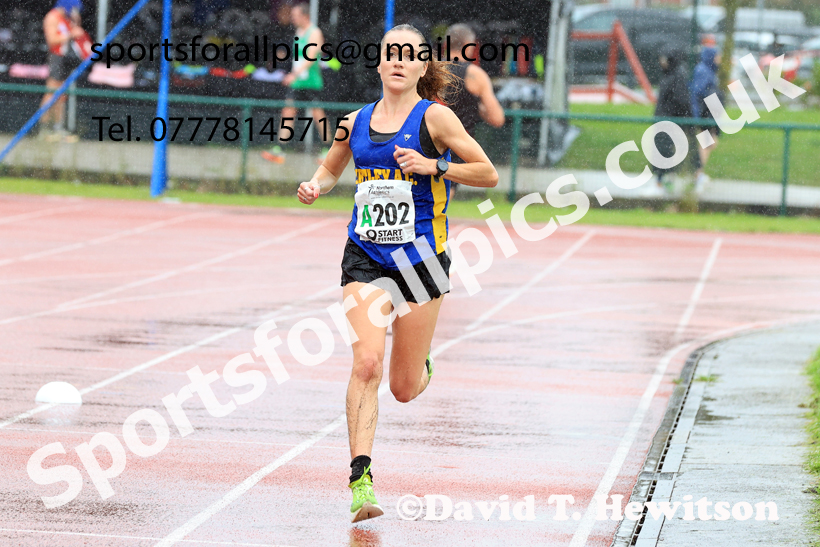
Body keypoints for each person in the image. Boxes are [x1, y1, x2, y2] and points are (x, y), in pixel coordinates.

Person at [296, 24, 498, 522]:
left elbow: (487, 173)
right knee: (366, 363)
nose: (399, 61)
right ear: (380, 62)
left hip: (421, 258)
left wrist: (435, 167)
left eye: (409, 54)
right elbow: (331, 167)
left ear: (422, 65)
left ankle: (420, 360)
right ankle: (361, 481)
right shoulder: (354, 122)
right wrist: (316, 185)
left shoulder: (436, 118)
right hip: (365, 256)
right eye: (391, 53)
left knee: (403, 388)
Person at [262, 2, 329, 164]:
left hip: (311, 82)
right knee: (288, 112)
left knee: (318, 115)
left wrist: (293, 75)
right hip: (298, 82)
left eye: (295, 16)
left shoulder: (315, 32)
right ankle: (280, 149)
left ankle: (328, 150)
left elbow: (311, 57)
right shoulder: (299, 32)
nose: (293, 19)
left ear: (305, 16)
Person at [445, 23, 505, 202]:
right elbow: (497, 118)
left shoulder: (429, 70)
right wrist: (476, 108)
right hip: (456, 145)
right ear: (469, 46)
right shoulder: (474, 75)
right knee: (439, 204)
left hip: (426, 140)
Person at [651, 46, 699, 193]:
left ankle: (664, 183)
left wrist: (685, 122)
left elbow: (682, 101)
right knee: (662, 151)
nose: (661, 62)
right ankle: (661, 182)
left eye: (664, 58)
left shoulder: (677, 76)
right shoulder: (668, 75)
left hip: (670, 121)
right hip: (664, 120)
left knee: (666, 152)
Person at [40, 0, 87, 142]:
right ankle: (44, 128)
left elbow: (75, 33)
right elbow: (52, 40)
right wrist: (71, 34)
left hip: (64, 58)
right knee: (51, 92)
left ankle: (58, 127)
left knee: (61, 95)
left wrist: (76, 22)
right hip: (56, 58)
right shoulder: (52, 17)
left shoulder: (66, 18)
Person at [690, 46, 721, 191]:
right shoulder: (704, 71)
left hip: (706, 114)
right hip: (704, 115)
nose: (719, 59)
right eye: (717, 56)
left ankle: (698, 174)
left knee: (708, 144)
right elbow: (699, 94)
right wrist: (700, 116)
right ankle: (697, 175)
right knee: (707, 144)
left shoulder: (708, 71)